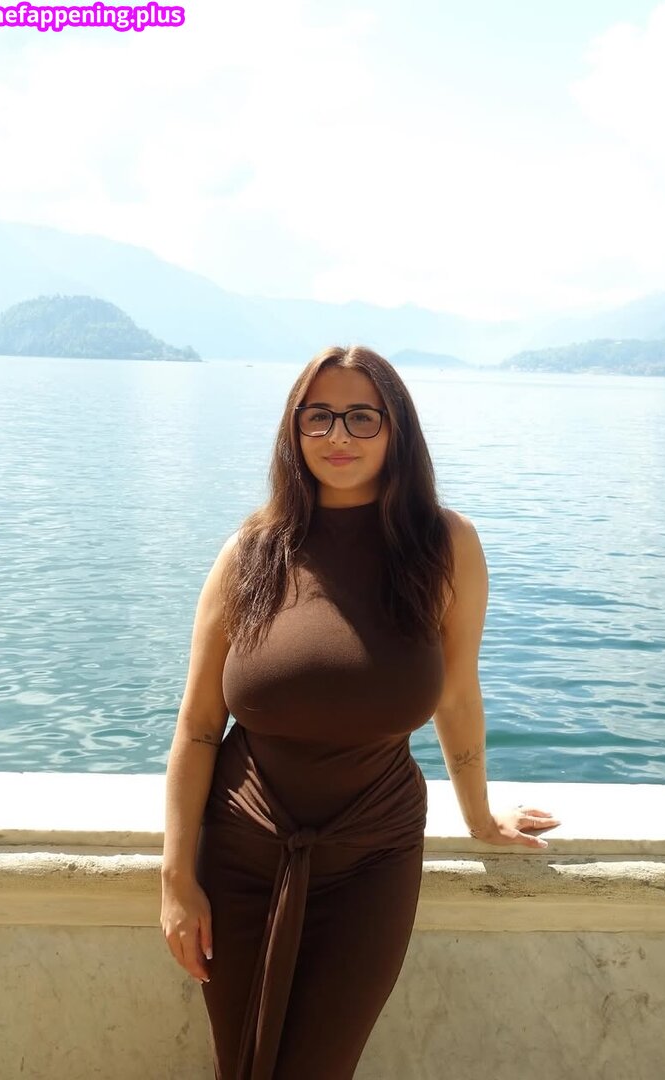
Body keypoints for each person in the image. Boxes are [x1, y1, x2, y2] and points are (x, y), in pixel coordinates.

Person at [160, 344, 560, 1079]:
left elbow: (456, 694)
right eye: (317, 416)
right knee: (239, 1065)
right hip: (240, 852)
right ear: (294, 430)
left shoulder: (445, 545)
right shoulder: (250, 551)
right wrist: (175, 879)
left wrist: (478, 816)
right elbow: (198, 727)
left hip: (371, 857)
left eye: (360, 417)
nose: (337, 435)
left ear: (395, 428)